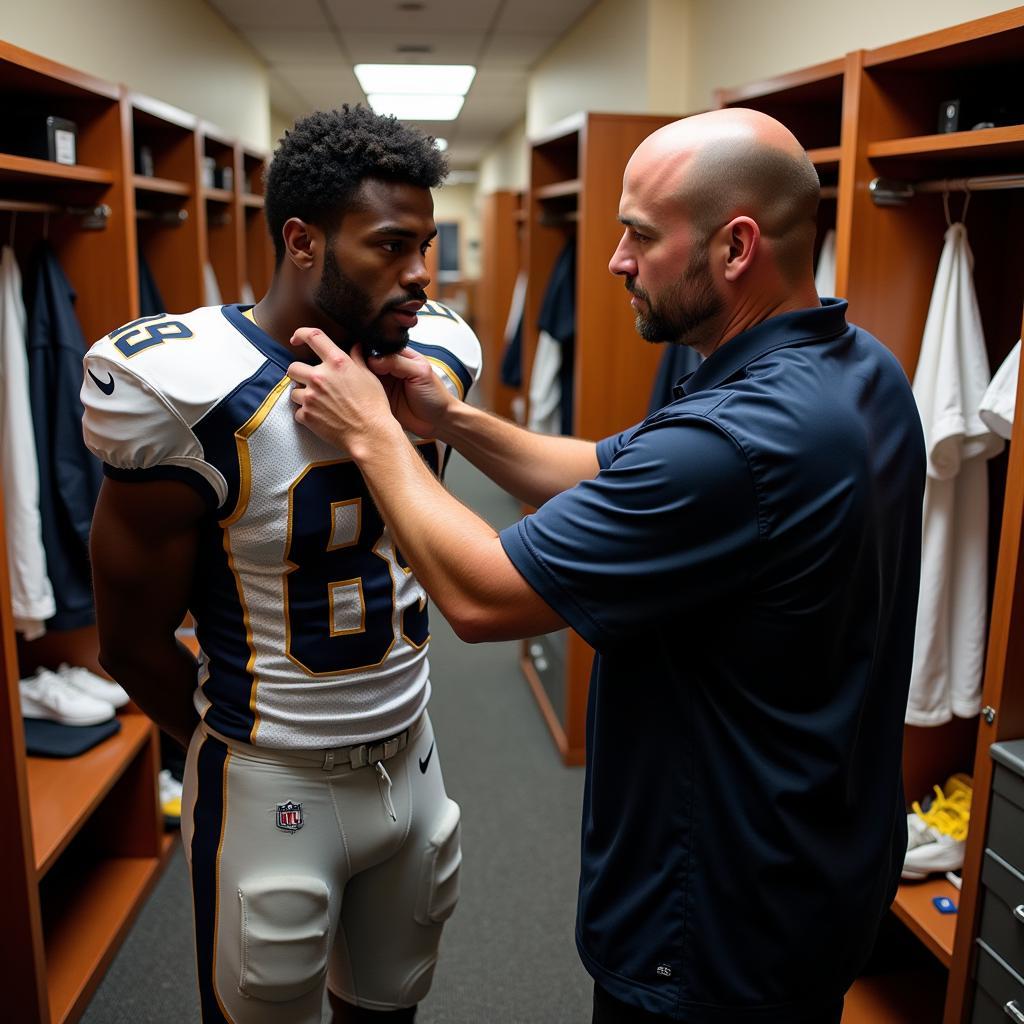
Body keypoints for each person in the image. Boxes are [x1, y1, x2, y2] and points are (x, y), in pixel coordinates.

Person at [287, 108, 927, 1024]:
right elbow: (605, 467)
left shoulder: (735, 442)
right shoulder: (855, 369)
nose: (616, 261)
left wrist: (373, 435)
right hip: (815, 863)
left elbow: (478, 594)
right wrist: (447, 420)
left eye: (639, 235)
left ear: (737, 247)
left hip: (712, 911)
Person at [82, 105, 480, 1024]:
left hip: (415, 761)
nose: (421, 274)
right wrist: (245, 753)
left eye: (424, 243)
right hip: (272, 781)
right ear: (302, 242)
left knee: (394, 1004)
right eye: (390, 245)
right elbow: (132, 643)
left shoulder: (435, 352)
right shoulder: (188, 393)